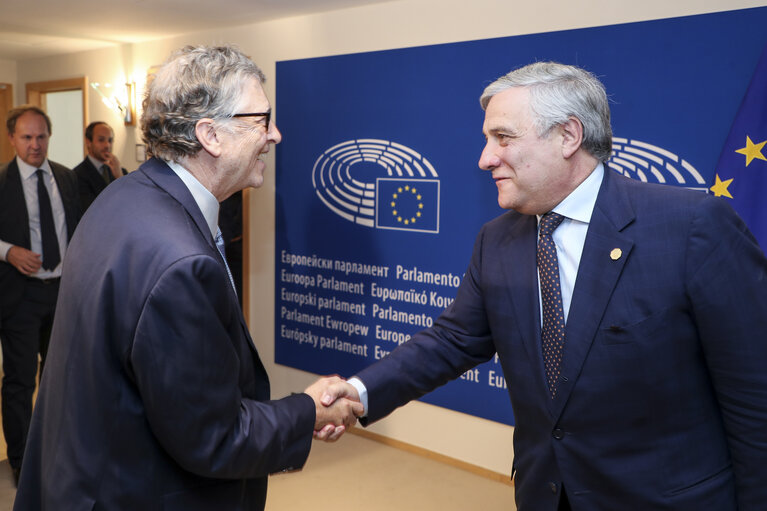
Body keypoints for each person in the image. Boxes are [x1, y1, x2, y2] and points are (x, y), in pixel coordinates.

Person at [323, 62, 767, 510]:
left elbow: (755, 394)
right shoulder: (497, 240)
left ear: (568, 136)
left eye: (503, 137)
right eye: (486, 139)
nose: (485, 158)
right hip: (547, 494)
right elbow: (452, 341)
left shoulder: (690, 227)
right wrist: (359, 393)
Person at [13, 45, 361, 510]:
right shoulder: (181, 263)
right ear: (210, 135)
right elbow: (213, 437)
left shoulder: (125, 195)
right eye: (262, 119)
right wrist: (308, 410)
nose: (275, 134)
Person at [0, 105, 81, 485]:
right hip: (20, 298)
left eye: (41, 137)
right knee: (20, 382)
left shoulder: (65, 178)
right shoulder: (1, 183)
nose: (35, 145)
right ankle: (22, 461)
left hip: (64, 294)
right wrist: (8, 251)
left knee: (61, 378)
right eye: (27, 137)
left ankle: (57, 453)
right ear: (12, 138)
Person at [72, 121, 128, 211]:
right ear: (88, 142)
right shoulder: (76, 175)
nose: (107, 145)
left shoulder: (121, 172)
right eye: (101, 140)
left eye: (110, 140)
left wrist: (119, 177)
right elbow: (93, 210)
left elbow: (131, 203)